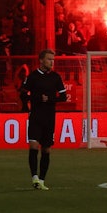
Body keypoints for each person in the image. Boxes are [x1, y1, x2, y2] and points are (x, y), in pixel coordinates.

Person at [21, 49, 67, 190]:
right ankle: (34, 176)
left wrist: (50, 99)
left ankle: (41, 180)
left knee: (46, 149)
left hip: (49, 118)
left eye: (53, 60)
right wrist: (36, 98)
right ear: (41, 60)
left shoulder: (55, 77)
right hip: (35, 116)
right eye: (49, 59)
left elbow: (63, 97)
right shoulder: (33, 77)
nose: (51, 62)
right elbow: (23, 94)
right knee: (34, 145)